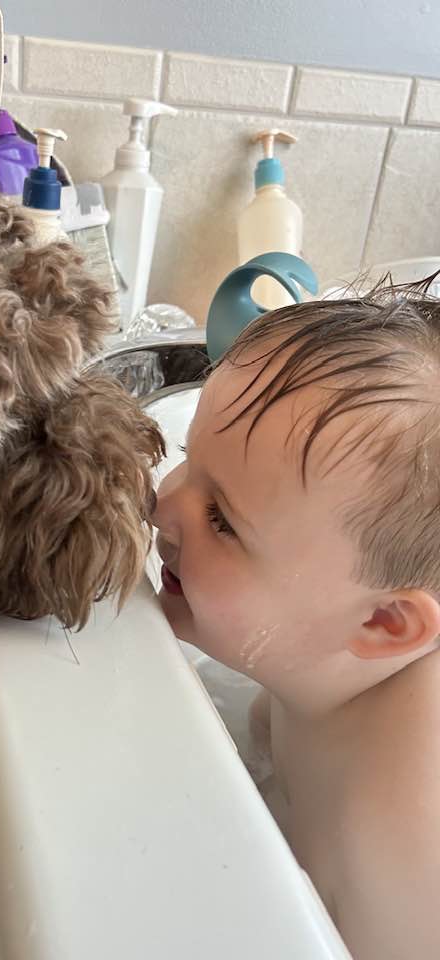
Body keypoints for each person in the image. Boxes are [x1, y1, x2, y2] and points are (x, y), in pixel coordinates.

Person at [151, 281, 440, 960]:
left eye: (221, 520)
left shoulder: (406, 844)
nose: (162, 503)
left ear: (383, 623)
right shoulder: (317, 656)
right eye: (188, 457)